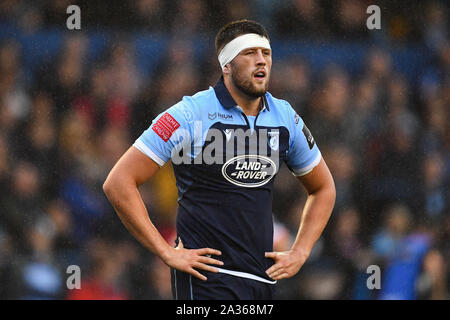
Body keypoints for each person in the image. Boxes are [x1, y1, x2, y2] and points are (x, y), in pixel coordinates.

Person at [103, 19, 336, 300]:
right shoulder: (190, 114)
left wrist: (301, 250)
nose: (261, 61)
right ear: (226, 65)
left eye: (266, 53)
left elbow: (323, 188)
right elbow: (118, 182)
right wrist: (164, 252)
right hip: (206, 280)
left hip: (261, 282)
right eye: (249, 53)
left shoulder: (285, 117)